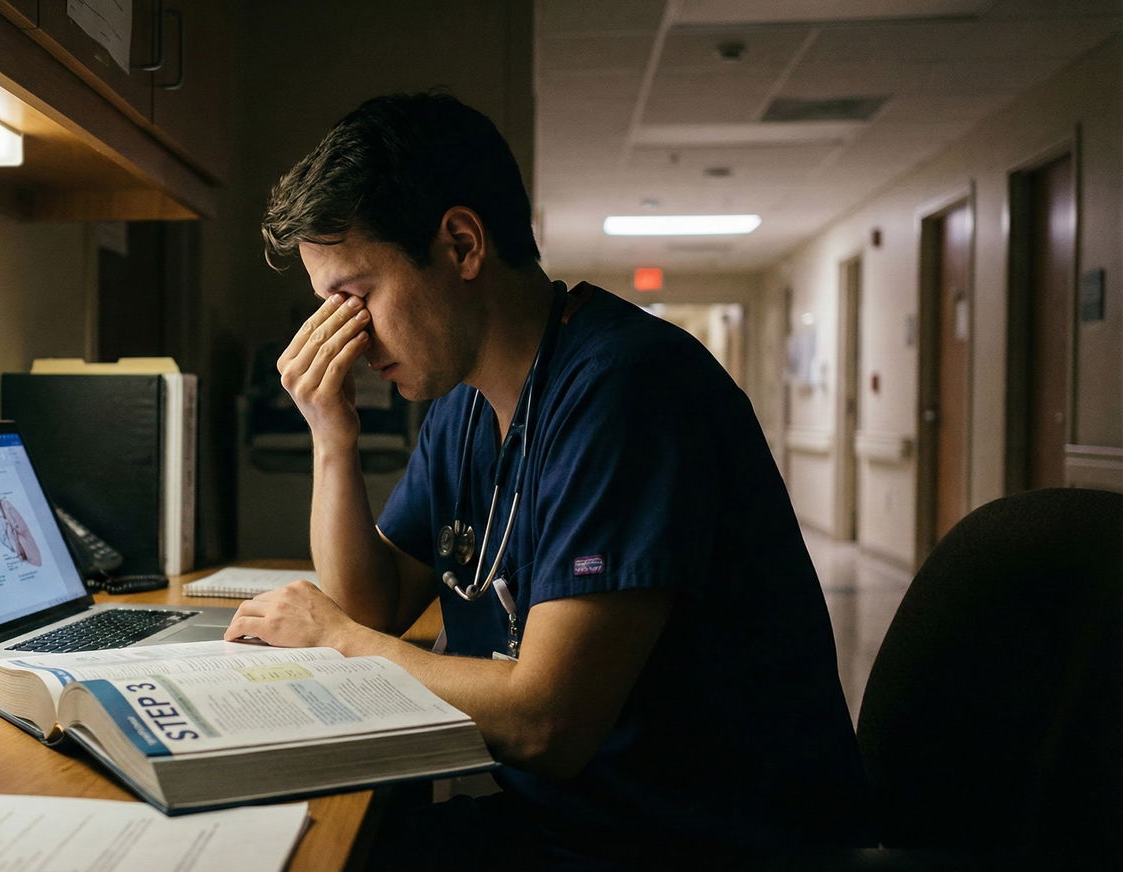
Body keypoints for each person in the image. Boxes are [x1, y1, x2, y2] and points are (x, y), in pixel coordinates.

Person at [227, 92, 871, 869]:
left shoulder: (625, 389)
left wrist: (336, 639)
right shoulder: (463, 408)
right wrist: (333, 439)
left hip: (697, 846)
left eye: (355, 296)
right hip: (575, 826)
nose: (351, 340)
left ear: (462, 245)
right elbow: (374, 605)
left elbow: (545, 724)